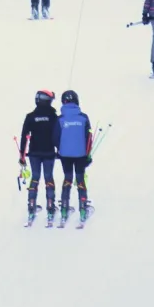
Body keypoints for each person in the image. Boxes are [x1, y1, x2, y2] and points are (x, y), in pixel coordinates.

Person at [19, 90, 60, 226]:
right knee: (48, 177)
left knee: (35, 178)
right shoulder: (53, 116)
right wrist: (59, 150)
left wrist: (22, 155)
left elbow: (24, 136)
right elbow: (58, 136)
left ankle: (31, 207)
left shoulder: (30, 117)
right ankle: (50, 207)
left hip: (34, 153)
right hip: (49, 152)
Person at [56, 90, 93, 226]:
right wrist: (88, 154)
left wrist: (59, 150)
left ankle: (64, 210)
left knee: (67, 179)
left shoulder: (60, 119)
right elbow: (89, 137)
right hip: (80, 154)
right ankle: (83, 209)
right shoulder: (83, 117)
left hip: (65, 155)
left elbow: (55, 137)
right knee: (80, 179)